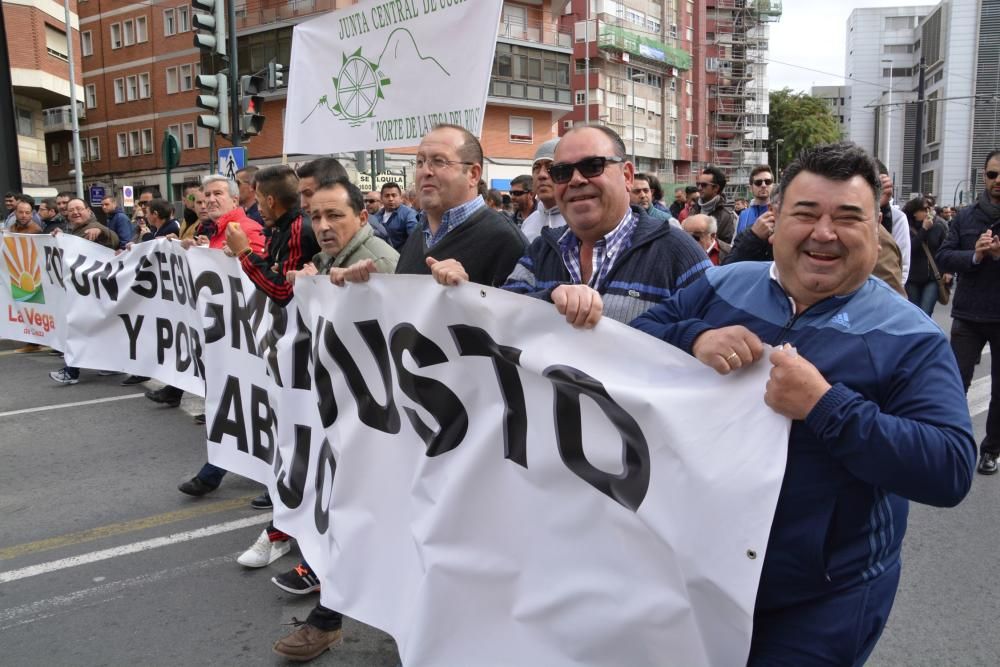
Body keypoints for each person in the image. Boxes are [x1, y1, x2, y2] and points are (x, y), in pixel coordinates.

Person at [632, 141, 976, 665]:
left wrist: (826, 406)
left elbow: (950, 468)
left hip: (820, 600)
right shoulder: (722, 284)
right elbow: (635, 345)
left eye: (847, 218)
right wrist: (695, 337)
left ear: (875, 228)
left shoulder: (909, 334)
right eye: (806, 214)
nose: (823, 233)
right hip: (696, 568)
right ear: (775, 219)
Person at [271, 177, 400, 663]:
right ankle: (330, 617)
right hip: (347, 417)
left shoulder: (381, 264)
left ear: (361, 218)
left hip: (377, 425)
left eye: (335, 216)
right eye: (316, 217)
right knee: (343, 517)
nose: (322, 226)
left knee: (360, 521)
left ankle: (331, 620)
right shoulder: (328, 264)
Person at [494, 124, 710, 327]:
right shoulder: (541, 250)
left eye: (593, 166)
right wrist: (549, 297)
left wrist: (694, 338)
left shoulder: (677, 251)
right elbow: (502, 316)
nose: (576, 180)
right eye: (562, 172)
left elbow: (718, 332)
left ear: (627, 176)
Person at [935, 149, 1000, 475]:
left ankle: (991, 449)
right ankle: (951, 446)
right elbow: (944, 257)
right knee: (954, 383)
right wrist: (974, 257)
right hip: (968, 314)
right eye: (992, 174)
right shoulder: (965, 217)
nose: (997, 181)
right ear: (984, 177)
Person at [48, 199, 120, 385]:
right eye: (71, 210)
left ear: (88, 211)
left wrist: (101, 231)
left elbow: (114, 239)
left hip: (92, 291)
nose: (75, 212)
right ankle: (110, 364)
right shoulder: (74, 231)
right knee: (91, 329)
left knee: (76, 328)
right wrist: (61, 237)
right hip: (85, 291)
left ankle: (71, 372)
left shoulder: (95, 227)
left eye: (79, 209)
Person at [902, 197, 946, 317]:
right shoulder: (906, 227)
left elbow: (945, 249)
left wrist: (948, 271)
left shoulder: (938, 226)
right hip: (912, 278)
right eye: (924, 209)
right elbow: (909, 249)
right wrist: (924, 230)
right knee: (914, 314)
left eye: (929, 208)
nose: (927, 212)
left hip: (932, 277)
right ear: (915, 212)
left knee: (925, 313)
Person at [520, 138, 565, 243]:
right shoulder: (529, 222)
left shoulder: (579, 222)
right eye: (536, 167)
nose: (541, 175)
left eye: (550, 167)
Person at [692, 167, 737, 244]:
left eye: (704, 185)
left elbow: (725, 248)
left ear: (716, 188)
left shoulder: (727, 216)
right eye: (698, 184)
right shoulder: (693, 209)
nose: (699, 188)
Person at [371, 181, 418, 250]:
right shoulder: (376, 217)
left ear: (400, 197)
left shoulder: (409, 214)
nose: (390, 199)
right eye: (387, 196)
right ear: (381, 198)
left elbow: (415, 238)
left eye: (394, 195)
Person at [736, 165, 774, 236]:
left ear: (773, 185)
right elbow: (734, 245)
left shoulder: (781, 214)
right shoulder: (742, 215)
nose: (763, 185)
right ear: (750, 188)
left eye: (767, 182)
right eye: (758, 182)